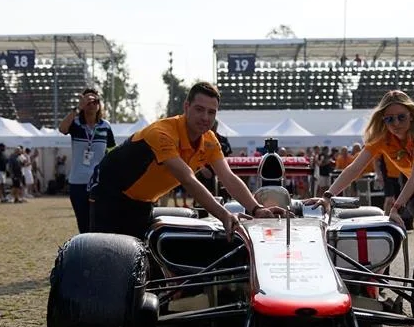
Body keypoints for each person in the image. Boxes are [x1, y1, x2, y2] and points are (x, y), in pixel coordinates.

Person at [88, 82, 285, 239]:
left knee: (139, 260)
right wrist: (224, 214)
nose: (205, 117)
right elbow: (188, 179)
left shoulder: (209, 140)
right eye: (199, 109)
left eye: (211, 112)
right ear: (186, 107)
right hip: (109, 194)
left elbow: (228, 177)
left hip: (143, 201)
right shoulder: (162, 133)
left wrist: (256, 209)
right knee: (106, 258)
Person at [304, 90, 414, 237]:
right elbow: (355, 168)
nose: (396, 123)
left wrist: (396, 207)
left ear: (411, 114)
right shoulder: (381, 138)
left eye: (401, 117)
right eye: (389, 119)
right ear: (383, 121)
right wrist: (327, 196)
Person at [58, 88, 116, 233]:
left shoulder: (105, 126)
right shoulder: (76, 124)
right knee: (83, 223)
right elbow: (62, 129)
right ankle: (86, 252)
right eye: (88, 101)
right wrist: (77, 108)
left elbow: (111, 152)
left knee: (99, 221)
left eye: (95, 101)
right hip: (78, 182)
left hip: (99, 183)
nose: (92, 104)